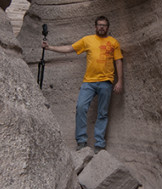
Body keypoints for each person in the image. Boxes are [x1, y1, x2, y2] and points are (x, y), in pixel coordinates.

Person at [42, 15, 123, 152]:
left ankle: (99, 144)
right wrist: (49, 47)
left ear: (107, 28)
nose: (101, 27)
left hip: (106, 82)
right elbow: (69, 48)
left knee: (102, 113)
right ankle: (81, 141)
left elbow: (118, 61)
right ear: (95, 26)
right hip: (89, 82)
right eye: (99, 25)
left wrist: (120, 81)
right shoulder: (88, 40)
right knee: (80, 107)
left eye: (104, 25)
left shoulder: (113, 42)